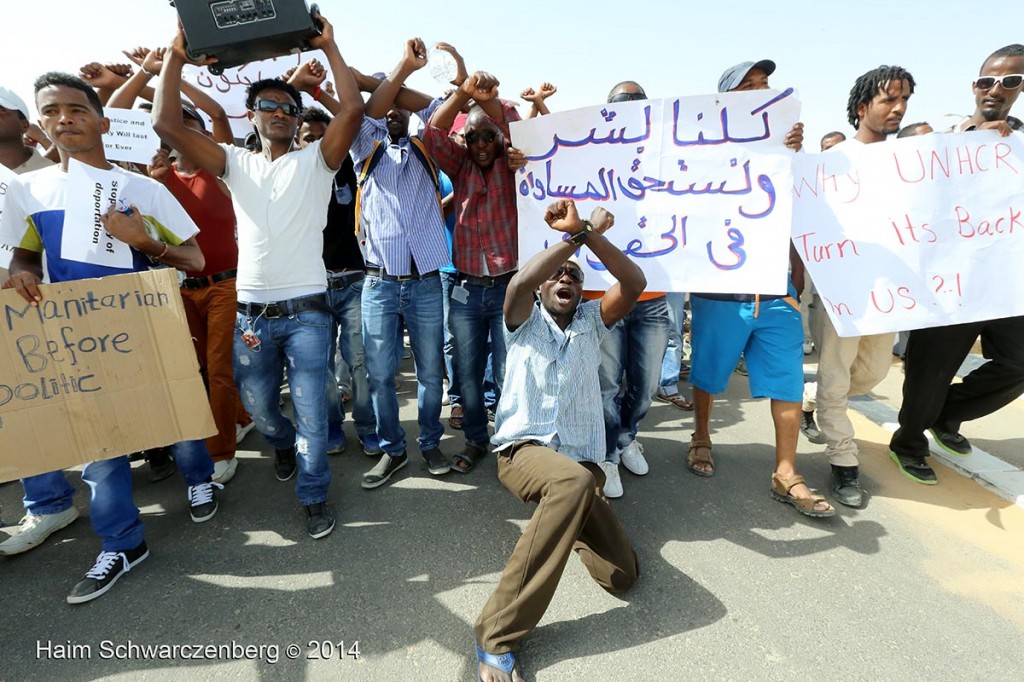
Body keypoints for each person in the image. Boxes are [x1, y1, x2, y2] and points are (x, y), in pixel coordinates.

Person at [0, 72, 219, 602]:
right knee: (100, 447)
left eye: (76, 109)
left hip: (147, 329)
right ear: (39, 124)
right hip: (76, 341)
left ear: (102, 121)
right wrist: (23, 273)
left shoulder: (142, 188)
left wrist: (143, 240)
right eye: (51, 111)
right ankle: (122, 543)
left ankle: (198, 477)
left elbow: (195, 259)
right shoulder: (26, 190)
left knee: (179, 418)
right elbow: (24, 257)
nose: (64, 119)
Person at [153, 10, 362, 537]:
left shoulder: (317, 161)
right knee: (262, 409)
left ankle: (313, 494)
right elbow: (166, 125)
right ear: (251, 116)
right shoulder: (231, 163)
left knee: (314, 410)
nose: (279, 113)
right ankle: (283, 444)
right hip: (251, 315)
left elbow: (354, 111)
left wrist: (331, 48)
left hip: (310, 313)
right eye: (267, 106)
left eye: (288, 108)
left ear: (297, 119)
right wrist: (176, 58)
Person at [475, 199, 642, 682]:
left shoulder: (593, 321)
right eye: (557, 274)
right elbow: (520, 282)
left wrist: (589, 237)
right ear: (544, 285)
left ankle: (559, 522)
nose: (565, 278)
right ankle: (496, 635)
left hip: (580, 465)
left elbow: (633, 284)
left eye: (574, 275)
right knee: (568, 485)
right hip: (523, 452)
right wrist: (578, 231)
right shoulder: (521, 320)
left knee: (623, 576)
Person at [686, 59, 834, 517]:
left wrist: (795, 157)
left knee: (787, 381)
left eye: (764, 83)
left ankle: (786, 471)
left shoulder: (788, 150)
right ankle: (702, 435)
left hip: (776, 292)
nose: (760, 91)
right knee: (709, 374)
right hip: (720, 289)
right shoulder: (699, 153)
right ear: (725, 101)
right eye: (747, 87)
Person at [889, 44, 1024, 484]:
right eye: (988, 81)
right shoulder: (943, 137)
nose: (996, 90)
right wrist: (973, 141)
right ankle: (909, 442)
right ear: (975, 85)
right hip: (949, 283)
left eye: (1010, 81)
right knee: (930, 370)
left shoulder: (1021, 146)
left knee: (1018, 363)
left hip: (1006, 284)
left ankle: (946, 414)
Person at [805, 65, 916, 506]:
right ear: (862, 107)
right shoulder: (833, 164)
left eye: (904, 99)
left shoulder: (910, 163)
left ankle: (812, 402)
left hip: (888, 296)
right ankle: (843, 464)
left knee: (871, 374)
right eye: (889, 99)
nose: (899, 108)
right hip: (842, 293)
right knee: (836, 374)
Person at [344, 38, 452, 488]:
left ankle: (429, 443)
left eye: (397, 109)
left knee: (430, 372)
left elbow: (436, 105)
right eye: (383, 109)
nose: (390, 114)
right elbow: (366, 113)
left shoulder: (429, 143)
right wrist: (389, 79)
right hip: (379, 284)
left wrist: (390, 78)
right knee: (381, 375)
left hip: (427, 282)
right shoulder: (363, 151)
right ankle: (393, 450)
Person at [425, 70, 524, 475]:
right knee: (466, 373)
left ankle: (511, 441)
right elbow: (433, 134)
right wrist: (462, 93)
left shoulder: (515, 165)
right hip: (465, 288)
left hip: (508, 288)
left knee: (508, 371)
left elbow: (510, 125)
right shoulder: (460, 164)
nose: (482, 145)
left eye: (488, 137)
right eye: (473, 138)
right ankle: (476, 441)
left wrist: (485, 103)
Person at [587, 80, 672, 499]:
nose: (630, 109)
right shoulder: (585, 156)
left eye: (638, 104)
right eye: (621, 104)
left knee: (647, 383)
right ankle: (606, 454)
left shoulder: (668, 154)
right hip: (604, 298)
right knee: (604, 383)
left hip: (654, 297)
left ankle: (626, 437)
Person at [295, 105, 381, 458]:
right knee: (321, 364)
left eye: (324, 137)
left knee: (360, 361)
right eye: (309, 139)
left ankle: (366, 425)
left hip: (355, 281)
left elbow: (355, 115)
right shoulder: (291, 176)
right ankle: (331, 424)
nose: (317, 145)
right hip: (311, 286)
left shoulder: (351, 167)